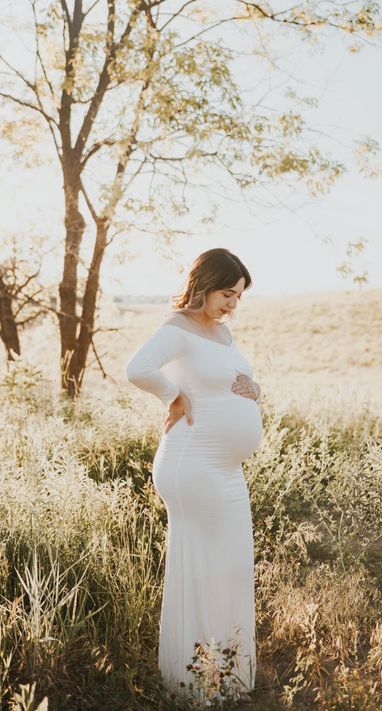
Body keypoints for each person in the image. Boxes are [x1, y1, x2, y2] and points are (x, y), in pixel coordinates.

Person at [125, 248, 263, 705]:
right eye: (228, 293)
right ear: (204, 284)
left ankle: (225, 670)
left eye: (239, 297)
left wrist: (254, 390)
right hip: (193, 463)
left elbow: (234, 380)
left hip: (225, 467)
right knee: (205, 569)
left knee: (233, 565)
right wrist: (173, 395)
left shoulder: (222, 334)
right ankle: (197, 682)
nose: (232, 305)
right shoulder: (177, 327)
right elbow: (137, 369)